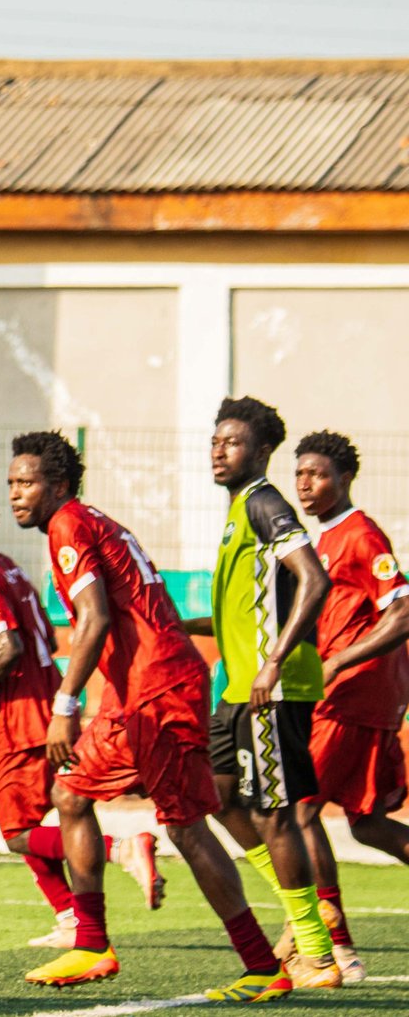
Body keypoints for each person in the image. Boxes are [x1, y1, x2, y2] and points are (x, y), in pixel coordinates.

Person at [8, 430, 291, 1002]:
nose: (15, 493)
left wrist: (66, 704)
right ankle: (92, 944)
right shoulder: (88, 520)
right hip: (136, 691)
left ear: (58, 485)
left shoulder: (68, 525)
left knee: (186, 826)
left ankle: (263, 966)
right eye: (12, 482)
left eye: (26, 482)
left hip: (159, 689)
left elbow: (94, 619)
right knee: (69, 795)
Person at [0, 487, 161, 951]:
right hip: (46, 701)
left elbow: (7, 648)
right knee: (44, 816)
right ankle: (72, 917)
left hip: (24, 717)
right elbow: (34, 642)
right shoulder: (6, 567)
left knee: (18, 832)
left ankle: (121, 850)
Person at [183, 397, 339, 990]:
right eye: (215, 441)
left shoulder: (264, 501)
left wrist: (273, 663)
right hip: (237, 689)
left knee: (275, 815)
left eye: (233, 442)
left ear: (262, 451)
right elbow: (243, 613)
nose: (218, 451)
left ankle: (316, 953)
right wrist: (175, 624)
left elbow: (314, 579)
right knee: (219, 797)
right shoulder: (238, 510)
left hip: (270, 689)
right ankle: (301, 918)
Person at [289, 430, 409, 982]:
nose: (305, 485)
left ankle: (335, 947)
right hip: (354, 693)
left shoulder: (361, 535)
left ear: (344, 478)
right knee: (366, 824)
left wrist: (337, 663)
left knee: (298, 811)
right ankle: (324, 940)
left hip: (351, 694)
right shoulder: (326, 539)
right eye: (299, 474)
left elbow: (402, 613)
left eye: (316, 474)